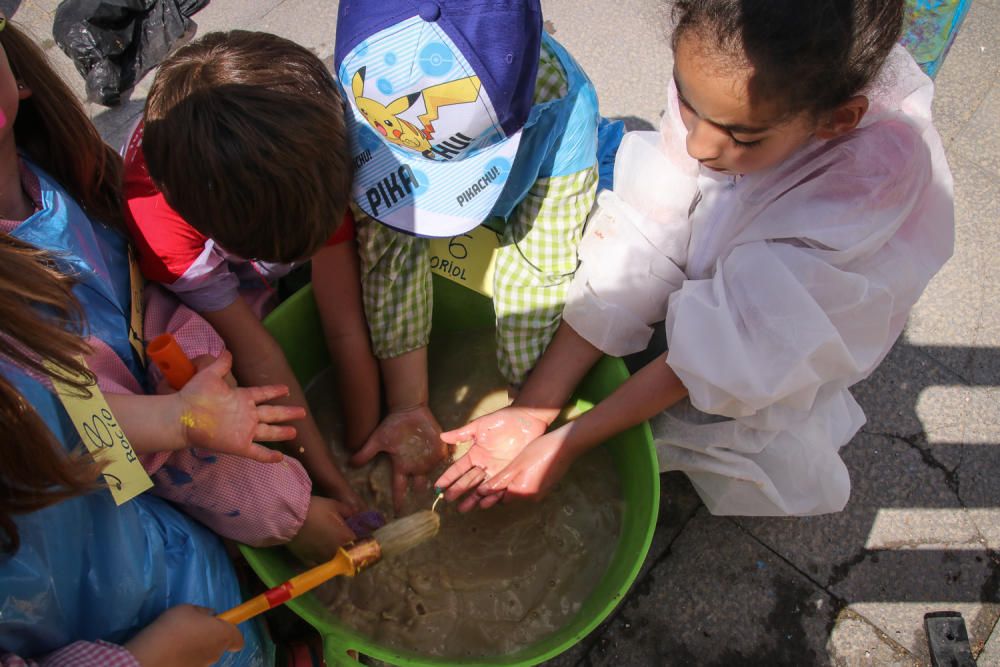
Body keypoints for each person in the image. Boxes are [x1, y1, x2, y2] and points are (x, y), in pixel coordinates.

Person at [436, 0, 955, 517]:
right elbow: (650, 224)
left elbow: (749, 336)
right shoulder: (722, 78)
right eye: (687, 104)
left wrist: (570, 441)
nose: (699, 144)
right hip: (752, 223)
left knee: (742, 380)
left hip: (802, 302)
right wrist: (534, 409)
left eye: (740, 134)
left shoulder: (866, 184)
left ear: (837, 121)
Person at [0, 16, 270, 665]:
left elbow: (81, 407)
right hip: (90, 623)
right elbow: (51, 430)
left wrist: (182, 412)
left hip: (152, 538)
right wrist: (150, 654)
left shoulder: (65, 176)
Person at [333, 0, 607, 508]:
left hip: (536, 176)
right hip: (416, 165)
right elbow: (391, 257)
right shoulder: (365, 91)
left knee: (555, 279)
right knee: (387, 241)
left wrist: (526, 410)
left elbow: (537, 275)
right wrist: (408, 404)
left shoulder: (563, 107)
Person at [124, 30, 379, 508]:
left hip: (249, 198)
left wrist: (363, 443)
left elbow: (345, 324)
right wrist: (333, 484)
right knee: (248, 328)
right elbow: (255, 353)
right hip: (191, 237)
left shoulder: (307, 154)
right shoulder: (162, 232)